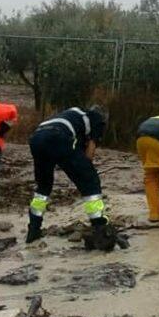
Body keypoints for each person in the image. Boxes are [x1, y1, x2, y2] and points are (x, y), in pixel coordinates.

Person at [25, 105, 123, 251]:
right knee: (90, 181)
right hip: (58, 137)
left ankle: (33, 230)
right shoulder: (96, 118)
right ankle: (100, 227)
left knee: (43, 187)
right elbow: (90, 152)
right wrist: (84, 171)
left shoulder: (72, 114)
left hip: (37, 138)